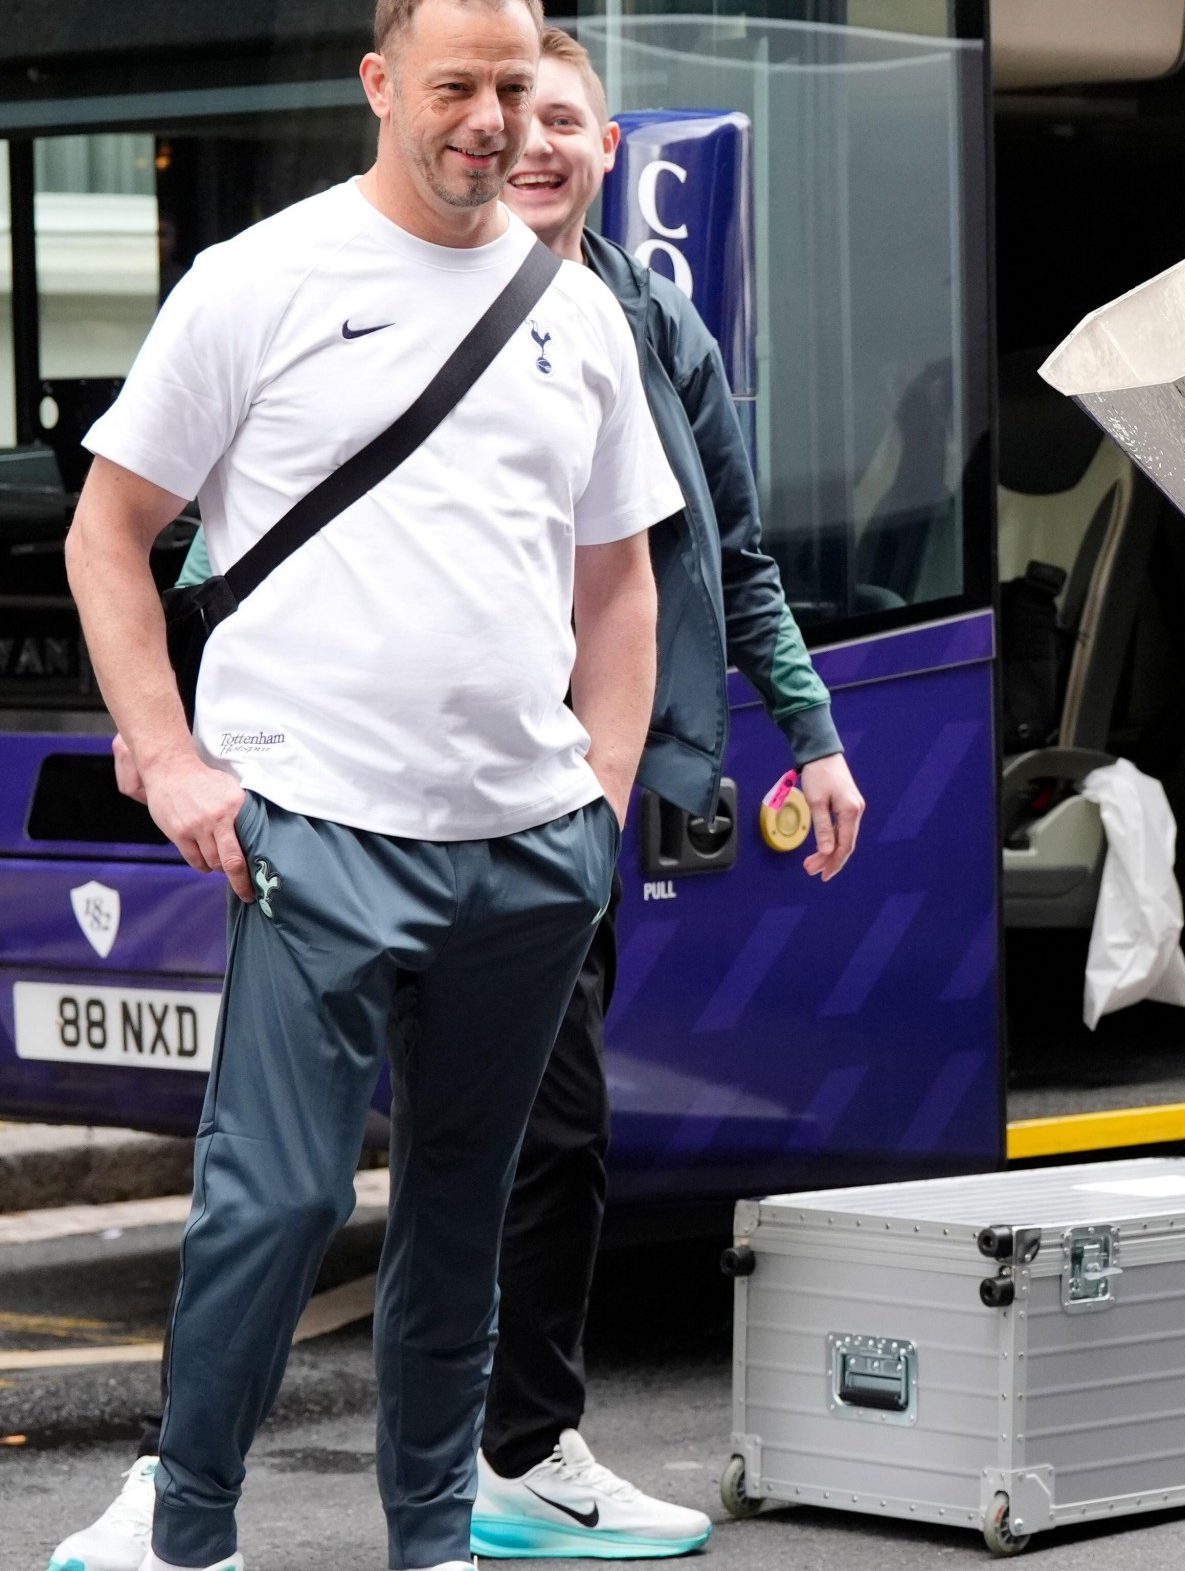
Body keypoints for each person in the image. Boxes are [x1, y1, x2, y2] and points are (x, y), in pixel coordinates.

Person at [46, 26, 868, 1571]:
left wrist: (602, 794)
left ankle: (434, 1538)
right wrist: (166, 754)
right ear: (381, 86)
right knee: (275, 1202)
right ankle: (190, 1526)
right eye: (459, 90)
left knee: (464, 1214)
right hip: (314, 827)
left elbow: (624, 574)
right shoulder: (257, 278)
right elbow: (112, 531)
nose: (493, 123)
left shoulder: (581, 314)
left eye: (515, 92)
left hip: (529, 847)